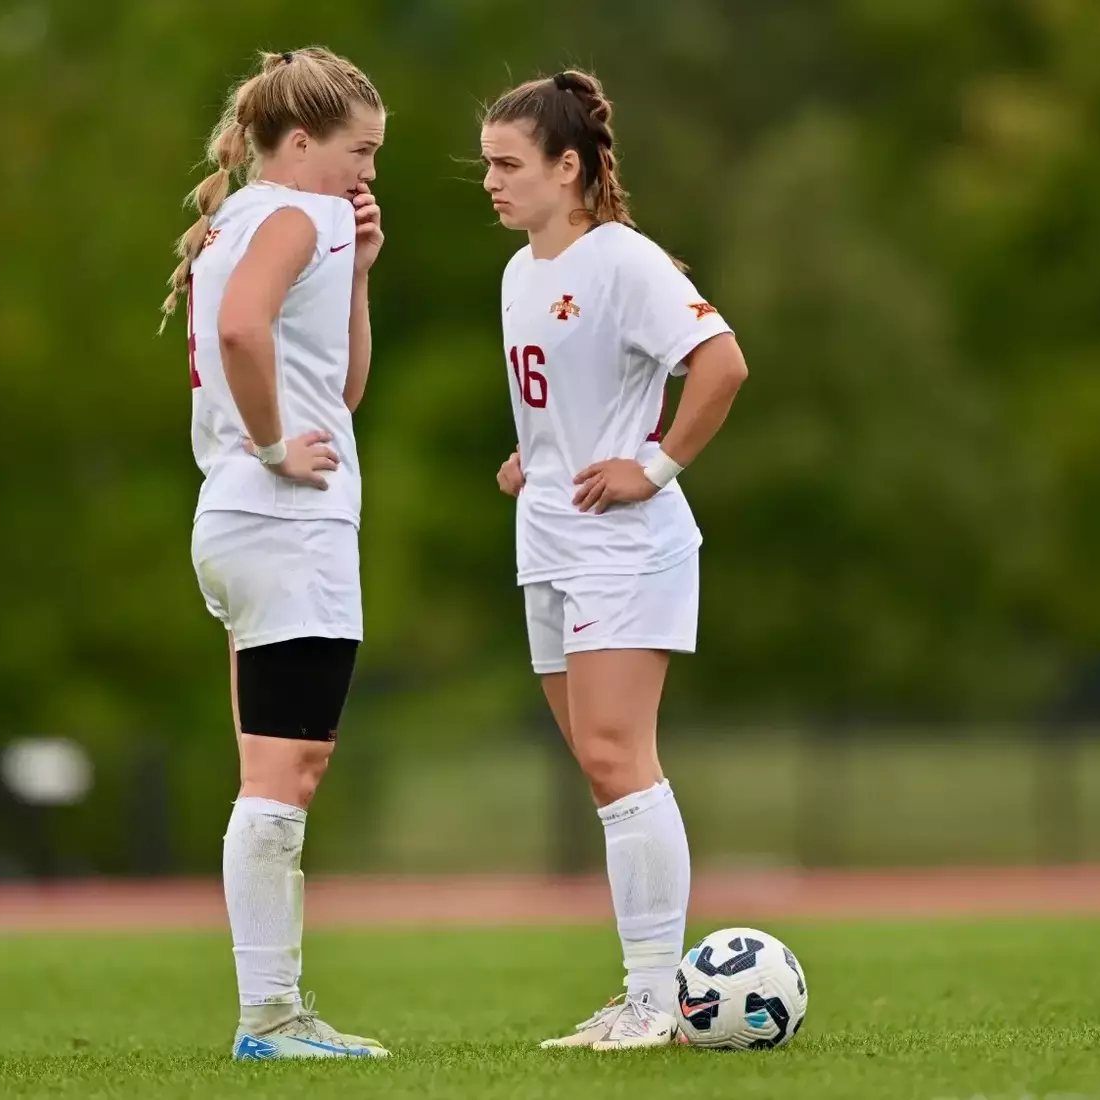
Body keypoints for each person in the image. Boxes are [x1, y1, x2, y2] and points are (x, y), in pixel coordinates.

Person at [481, 69, 751, 1050]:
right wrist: (534, 461)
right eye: (486, 165)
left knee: (616, 755)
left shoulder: (622, 260)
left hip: (622, 547)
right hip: (546, 541)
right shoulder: (519, 272)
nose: (492, 182)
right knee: (600, 771)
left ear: (569, 166)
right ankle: (643, 993)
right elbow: (568, 403)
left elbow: (721, 362)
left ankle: (653, 1000)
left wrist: (659, 463)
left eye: (510, 164)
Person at [162, 46, 388, 1061]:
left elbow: (334, 386)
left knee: (275, 767)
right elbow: (250, 335)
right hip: (284, 520)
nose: (367, 175)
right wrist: (269, 445)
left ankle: (274, 1016)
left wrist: (360, 281)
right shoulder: (301, 214)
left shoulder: (243, 221)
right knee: (284, 775)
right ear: (301, 142)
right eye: (359, 151)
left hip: (239, 522)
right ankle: (271, 1019)